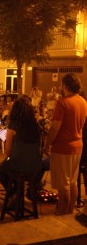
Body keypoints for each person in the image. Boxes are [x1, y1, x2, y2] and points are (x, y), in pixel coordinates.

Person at [45, 73, 87, 215]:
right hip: (78, 146)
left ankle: (62, 213)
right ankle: (69, 212)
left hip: (62, 148)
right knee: (73, 182)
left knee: (63, 185)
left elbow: (55, 127)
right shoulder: (82, 101)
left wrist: (47, 144)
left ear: (65, 86)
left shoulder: (62, 103)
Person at [0, 96, 42, 203]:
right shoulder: (35, 125)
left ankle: (13, 194)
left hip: (19, 164)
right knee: (14, 166)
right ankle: (18, 194)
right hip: (35, 165)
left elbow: (7, 151)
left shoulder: (13, 125)